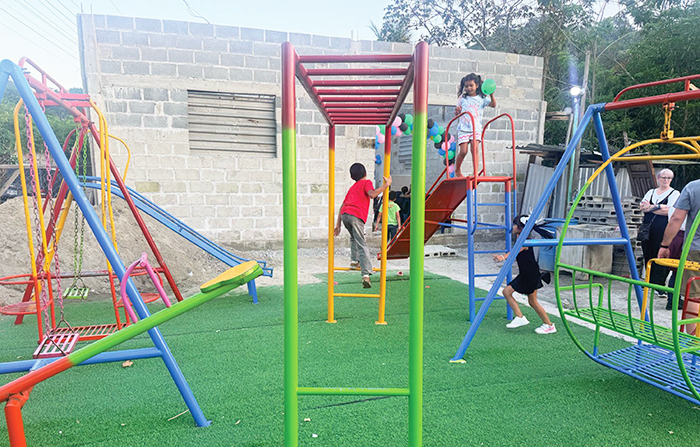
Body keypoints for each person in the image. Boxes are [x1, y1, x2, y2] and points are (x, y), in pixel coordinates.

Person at [493, 215, 555, 334]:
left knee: (528, 300)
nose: (512, 226)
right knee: (514, 295)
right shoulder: (521, 238)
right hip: (526, 274)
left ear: (521, 228)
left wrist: (502, 257)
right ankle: (524, 318)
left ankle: (547, 324)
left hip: (531, 275)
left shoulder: (525, 241)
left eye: (515, 224)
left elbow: (515, 251)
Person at [334, 163, 392, 288]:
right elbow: (372, 194)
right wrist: (386, 185)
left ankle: (354, 261)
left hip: (345, 215)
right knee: (362, 243)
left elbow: (342, 206)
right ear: (365, 173)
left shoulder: (352, 188)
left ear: (351, 177)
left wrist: (338, 224)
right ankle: (366, 274)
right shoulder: (366, 182)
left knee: (354, 238)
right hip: (356, 215)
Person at [659, 178, 700, 334]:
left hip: (695, 247)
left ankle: (694, 339)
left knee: (694, 294)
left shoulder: (693, 187)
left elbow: (676, 218)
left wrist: (665, 245)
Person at [639, 169, 679, 302]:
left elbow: (671, 210)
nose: (666, 180)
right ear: (658, 178)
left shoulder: (674, 193)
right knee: (648, 253)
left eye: (669, 178)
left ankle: (659, 285)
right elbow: (642, 206)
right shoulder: (651, 192)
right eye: (664, 177)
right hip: (648, 229)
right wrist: (660, 207)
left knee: (661, 255)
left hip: (664, 229)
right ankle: (648, 281)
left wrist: (651, 207)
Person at [454, 73, 497, 178]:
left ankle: (475, 173)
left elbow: (493, 105)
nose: (468, 88)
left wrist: (491, 95)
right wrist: (457, 111)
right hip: (464, 128)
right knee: (463, 151)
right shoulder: (463, 98)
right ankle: (457, 170)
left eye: (471, 85)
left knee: (475, 149)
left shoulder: (482, 98)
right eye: (466, 86)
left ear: (477, 85)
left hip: (475, 128)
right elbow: (457, 113)